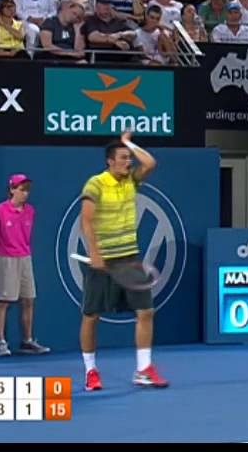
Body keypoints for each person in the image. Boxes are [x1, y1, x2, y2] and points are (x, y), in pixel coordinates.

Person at [80, 132, 168, 391]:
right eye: (122, 158)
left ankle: (143, 369)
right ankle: (91, 371)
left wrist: (128, 142)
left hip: (129, 259)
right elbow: (86, 219)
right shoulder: (95, 184)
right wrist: (94, 253)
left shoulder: (131, 181)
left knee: (146, 312)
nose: (128, 162)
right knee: (91, 316)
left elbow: (150, 163)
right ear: (110, 161)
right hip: (103, 259)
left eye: (129, 158)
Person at [0, 174, 50, 357]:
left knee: (29, 299)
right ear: (12, 190)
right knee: (3, 301)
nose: (25, 194)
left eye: (27, 190)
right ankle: (1, 343)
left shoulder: (30, 211)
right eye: (21, 189)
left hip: (25, 258)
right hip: (5, 259)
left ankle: (27, 341)